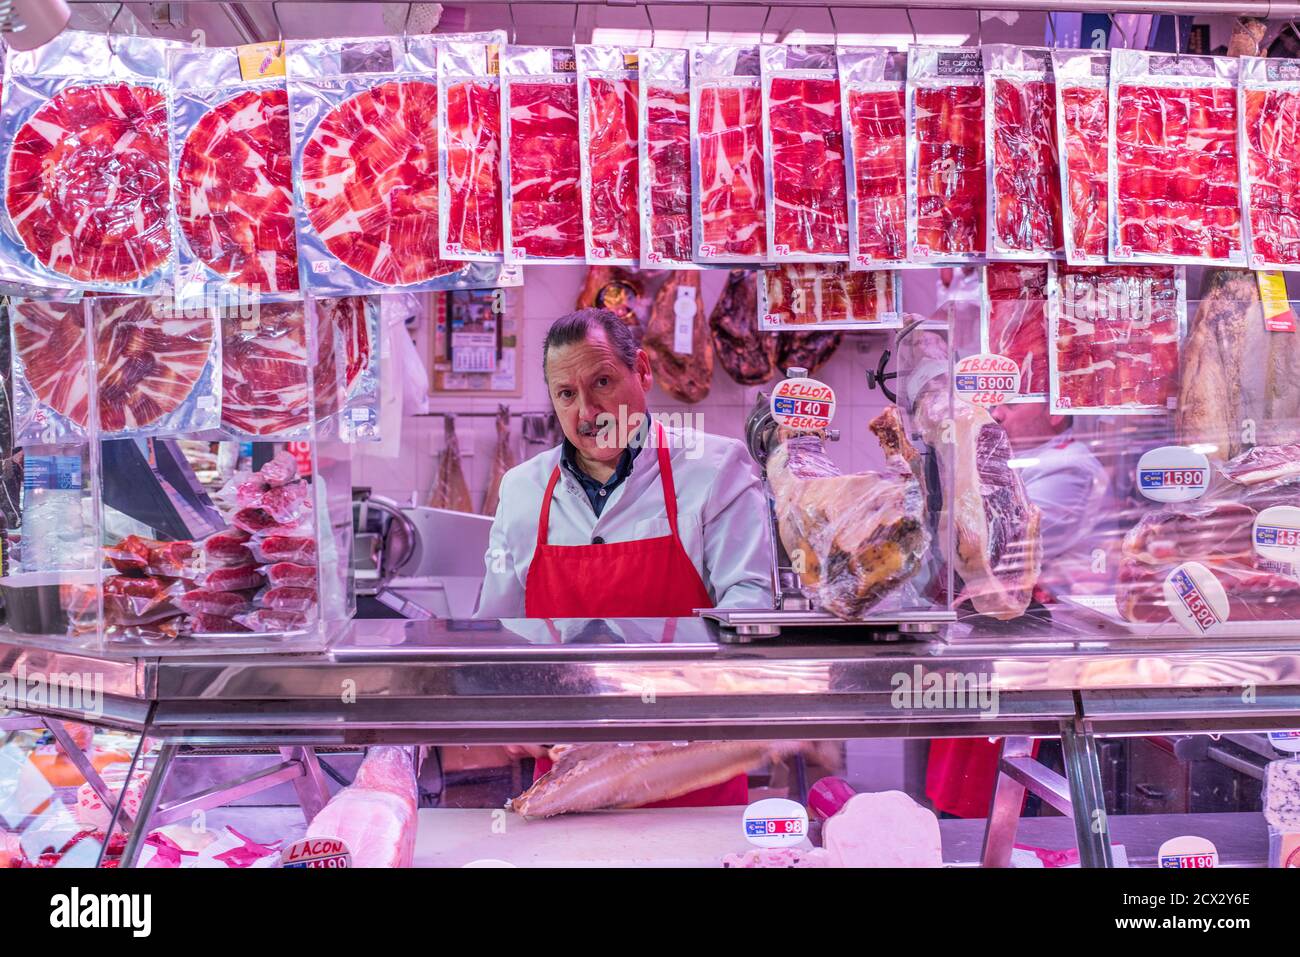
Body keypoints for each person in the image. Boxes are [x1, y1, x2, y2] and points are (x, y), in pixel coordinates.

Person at [475, 307, 773, 807]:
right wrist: (501, 708)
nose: (587, 412)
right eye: (566, 395)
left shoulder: (714, 468)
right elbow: (495, 627)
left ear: (642, 371)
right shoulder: (523, 488)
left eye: (603, 382)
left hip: (693, 764)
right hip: (568, 777)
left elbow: (749, 611)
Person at [925, 399, 1110, 819]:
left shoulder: (1071, 469)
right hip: (994, 646)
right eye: (994, 403)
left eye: (1011, 403)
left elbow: (999, 553)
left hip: (1036, 660)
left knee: (1005, 802)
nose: (998, 413)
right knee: (970, 805)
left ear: (1056, 412)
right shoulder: (1020, 463)